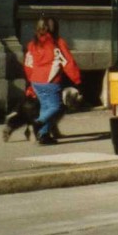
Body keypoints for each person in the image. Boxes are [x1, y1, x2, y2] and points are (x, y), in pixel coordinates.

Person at [23, 16, 82, 145]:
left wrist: (30, 82)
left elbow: (28, 64)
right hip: (50, 81)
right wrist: (76, 79)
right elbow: (67, 62)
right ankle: (38, 124)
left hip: (35, 80)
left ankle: (43, 135)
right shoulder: (57, 43)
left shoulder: (32, 43)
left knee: (46, 107)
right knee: (56, 106)